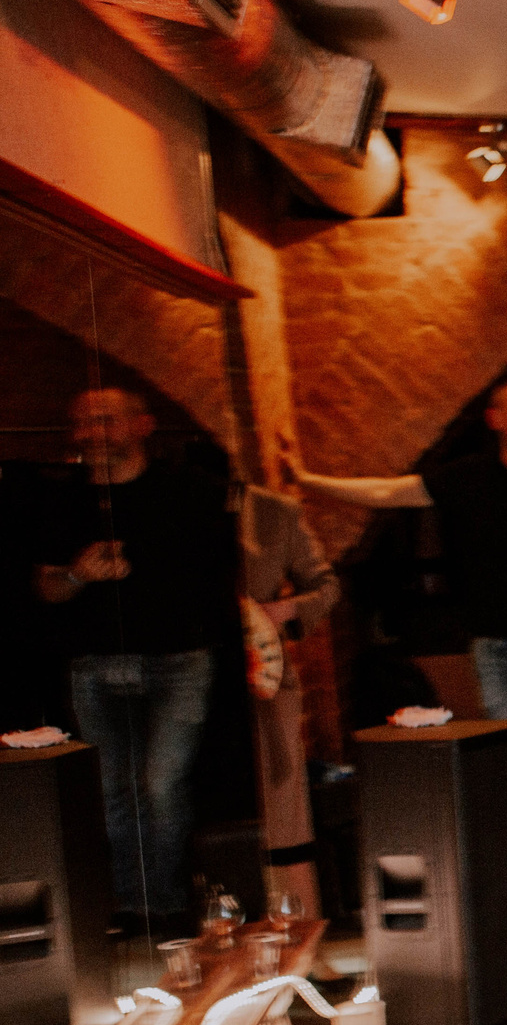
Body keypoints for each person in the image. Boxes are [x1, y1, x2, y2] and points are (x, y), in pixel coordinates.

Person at [294, 380, 507, 907]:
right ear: (495, 419)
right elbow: (388, 492)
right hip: (497, 647)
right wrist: (307, 479)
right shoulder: (465, 479)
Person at [30, 386, 236, 936]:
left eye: (107, 420)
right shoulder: (61, 499)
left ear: (143, 425)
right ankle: (133, 906)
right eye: (83, 423)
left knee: (160, 784)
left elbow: (224, 568)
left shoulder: (187, 490)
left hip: (177, 662)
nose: (93, 432)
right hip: (95, 665)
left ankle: (169, 904)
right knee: (113, 792)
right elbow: (45, 587)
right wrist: (77, 575)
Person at [238, 482, 340, 918]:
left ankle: (301, 933)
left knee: (283, 806)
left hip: (263, 670)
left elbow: (326, 585)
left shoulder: (271, 511)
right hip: (191, 673)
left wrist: (283, 610)